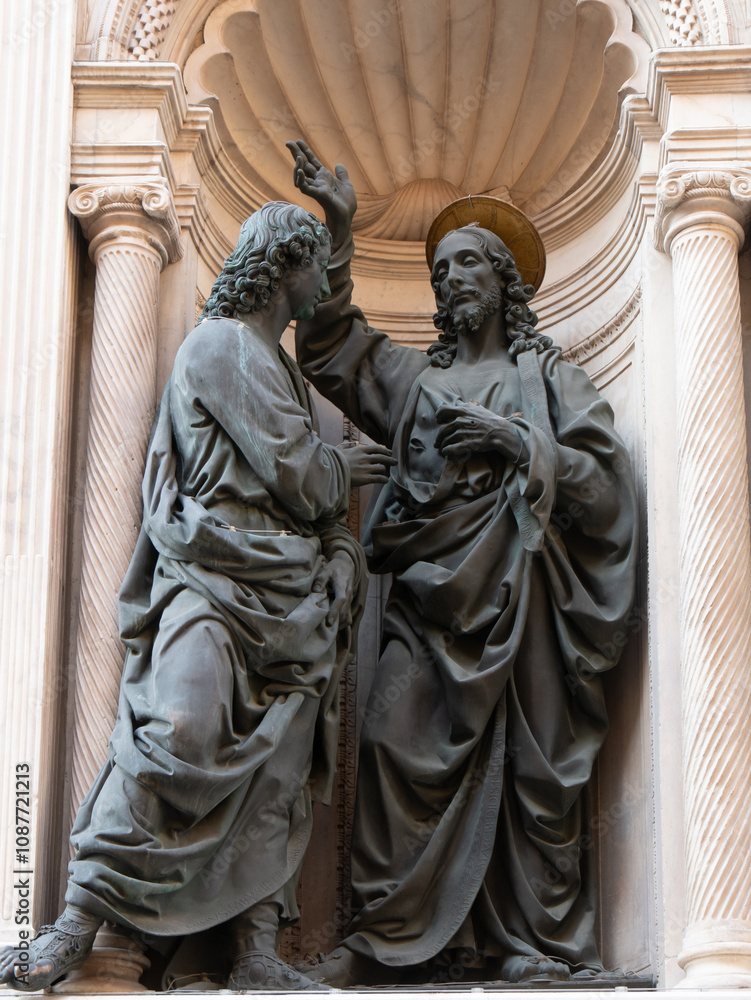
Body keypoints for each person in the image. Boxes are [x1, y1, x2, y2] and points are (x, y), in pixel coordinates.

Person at [0, 201, 395, 993]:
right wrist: (339, 474)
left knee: (280, 767)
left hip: (292, 595)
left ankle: (255, 949)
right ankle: (79, 921)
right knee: (175, 725)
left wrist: (345, 555)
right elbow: (297, 467)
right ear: (284, 264)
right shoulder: (217, 347)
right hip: (214, 573)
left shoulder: (283, 368)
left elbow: (321, 500)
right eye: (318, 262)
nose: (325, 278)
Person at [287, 140, 638, 986]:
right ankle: (384, 937)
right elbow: (333, 351)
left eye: (468, 264)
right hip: (427, 606)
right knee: (390, 746)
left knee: (537, 774)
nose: (451, 281)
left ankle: (531, 940)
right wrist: (340, 231)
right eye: (439, 270)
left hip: (524, 603)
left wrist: (521, 444)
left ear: (505, 280)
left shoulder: (548, 378)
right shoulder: (414, 382)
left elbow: (604, 486)